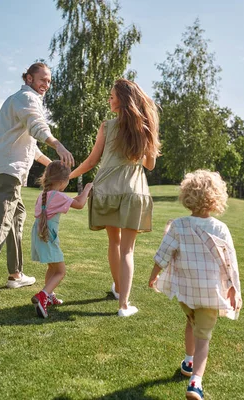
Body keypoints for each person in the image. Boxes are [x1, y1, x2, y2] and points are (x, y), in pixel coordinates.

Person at [0, 62, 75, 309]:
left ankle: (15, 274)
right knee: (3, 220)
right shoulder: (27, 98)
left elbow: (29, 145)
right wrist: (58, 145)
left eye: (48, 81)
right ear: (28, 78)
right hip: (7, 170)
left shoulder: (19, 100)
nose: (45, 84)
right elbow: (37, 126)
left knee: (17, 215)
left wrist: (52, 165)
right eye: (41, 79)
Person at [69, 78, 161, 317]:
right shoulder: (146, 127)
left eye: (111, 96)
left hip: (106, 189)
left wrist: (69, 175)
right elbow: (150, 165)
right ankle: (123, 304)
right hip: (134, 190)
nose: (109, 100)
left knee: (114, 242)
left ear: (121, 100)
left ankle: (120, 290)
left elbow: (91, 162)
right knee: (128, 249)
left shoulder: (106, 126)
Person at [148, 170, 242, 400]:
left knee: (191, 321)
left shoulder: (178, 225)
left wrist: (154, 276)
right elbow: (231, 264)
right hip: (209, 293)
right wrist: (234, 289)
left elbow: (163, 254)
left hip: (186, 292)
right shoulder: (220, 229)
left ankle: (188, 361)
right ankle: (195, 382)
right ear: (216, 197)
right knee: (204, 337)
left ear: (187, 196)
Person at [30, 161, 92, 318]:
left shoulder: (45, 195)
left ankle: (49, 296)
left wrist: (82, 195)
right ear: (62, 181)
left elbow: (74, 200)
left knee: (52, 268)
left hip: (39, 235)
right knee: (60, 271)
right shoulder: (57, 196)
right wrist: (87, 189)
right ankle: (43, 295)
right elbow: (79, 204)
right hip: (48, 236)